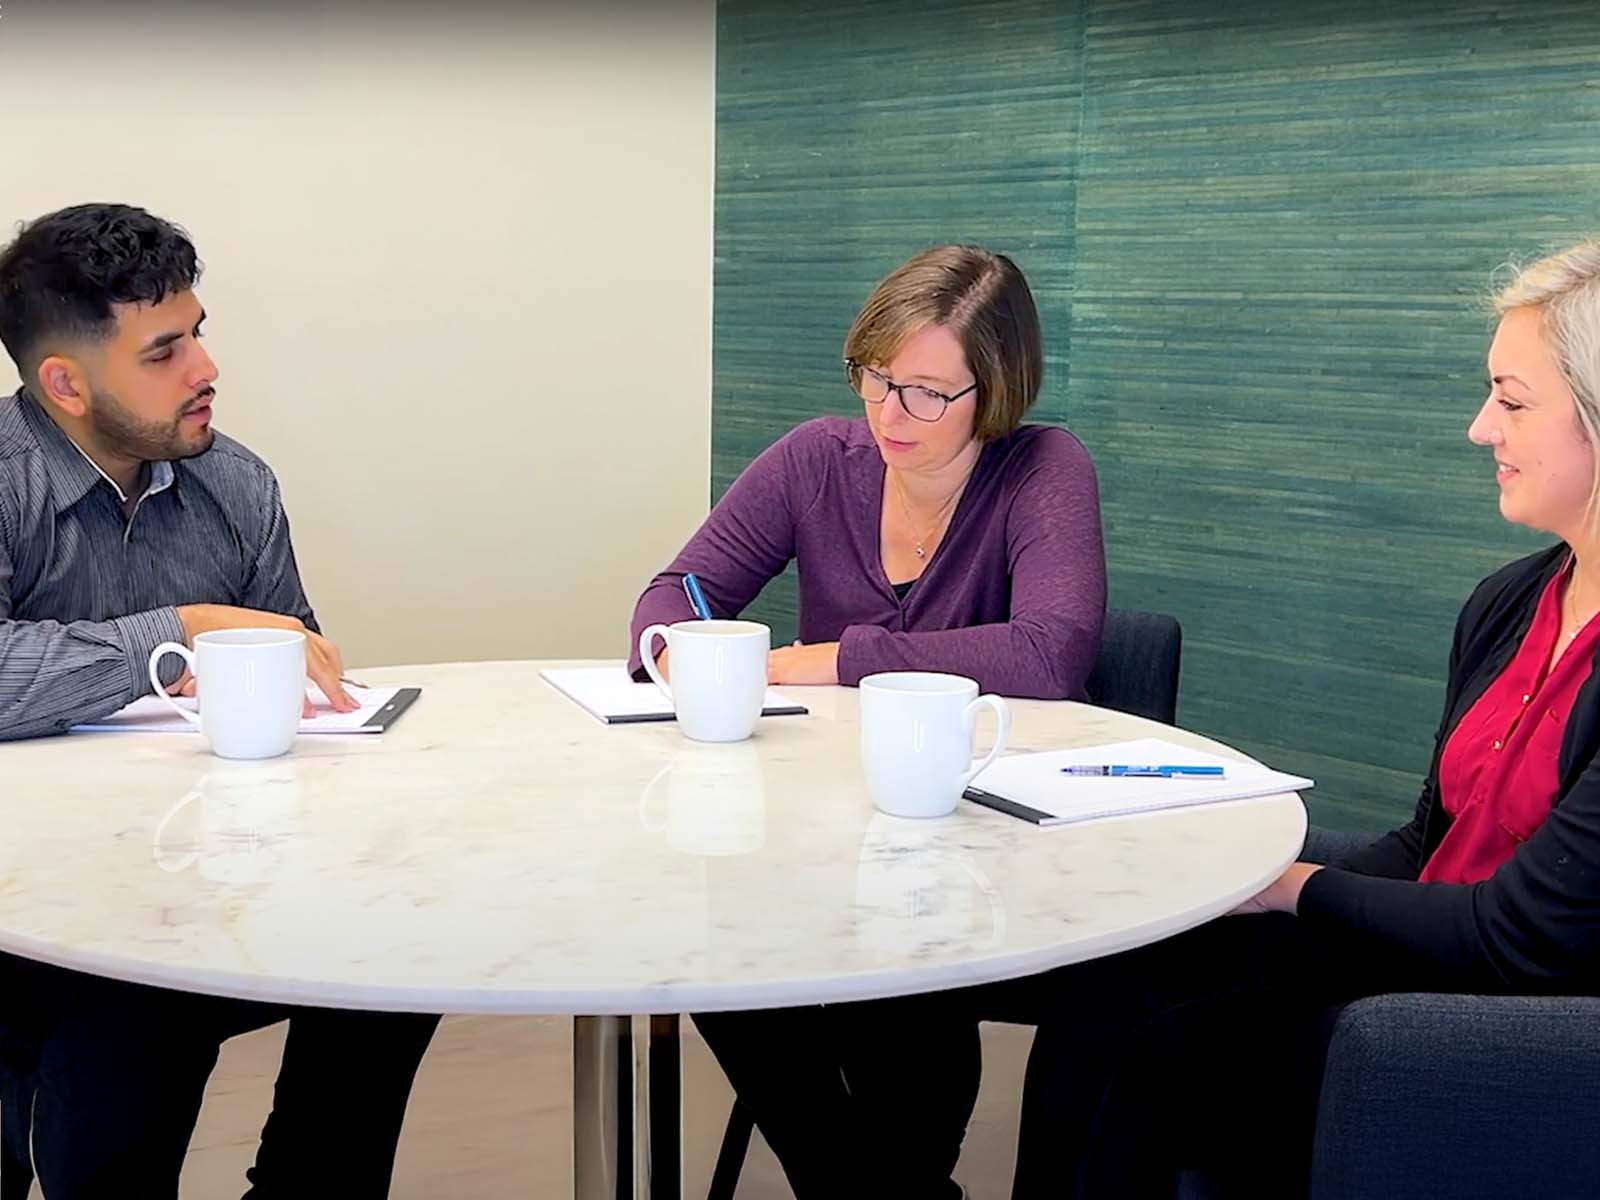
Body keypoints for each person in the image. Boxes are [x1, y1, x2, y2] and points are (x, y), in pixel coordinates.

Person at [981, 237, 1600, 1198]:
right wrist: (1231, 874)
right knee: (1118, 980)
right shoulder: (1512, 602)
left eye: (1513, 403)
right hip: (1424, 962)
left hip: (1499, 1032)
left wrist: (1290, 886)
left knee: (1164, 1053)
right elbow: (1430, 845)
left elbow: (1521, 933)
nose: (1482, 428)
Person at [625, 243, 1106, 1198]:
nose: (890, 414)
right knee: (723, 950)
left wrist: (843, 656)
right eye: (877, 378)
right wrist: (687, 658)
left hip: (983, 847)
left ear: (996, 391)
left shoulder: (1041, 468)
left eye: (928, 393)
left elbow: (1052, 652)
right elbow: (673, 593)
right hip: (824, 826)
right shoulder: (817, 460)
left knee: (900, 957)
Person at [0, 203, 438, 1198]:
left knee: (403, 944)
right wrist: (181, 630)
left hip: (203, 873)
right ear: (65, 383)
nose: (205, 369)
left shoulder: (235, 484)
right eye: (164, 352)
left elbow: (302, 673)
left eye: (197, 333)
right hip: (32, 902)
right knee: (124, 1003)